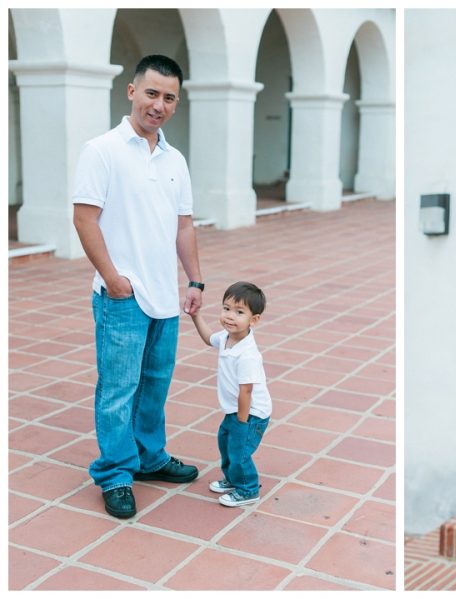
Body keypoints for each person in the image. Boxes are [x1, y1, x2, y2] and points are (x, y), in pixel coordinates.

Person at [72, 55, 202, 519]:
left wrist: (195, 280)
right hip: (122, 295)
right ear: (131, 91)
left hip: (165, 296)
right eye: (152, 93)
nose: (159, 105)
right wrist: (112, 278)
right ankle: (115, 474)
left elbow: (184, 226)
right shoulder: (101, 150)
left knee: (154, 386)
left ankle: (149, 458)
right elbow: (84, 219)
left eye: (169, 98)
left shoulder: (175, 158)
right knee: (118, 389)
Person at [189, 281, 272, 507]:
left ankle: (248, 489)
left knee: (239, 450)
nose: (229, 316)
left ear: (253, 320)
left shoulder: (247, 354)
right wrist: (195, 317)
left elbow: (246, 390)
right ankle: (233, 479)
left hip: (250, 413)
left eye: (239, 312)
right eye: (226, 309)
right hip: (235, 410)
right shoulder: (226, 338)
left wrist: (241, 423)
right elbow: (209, 338)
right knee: (225, 443)